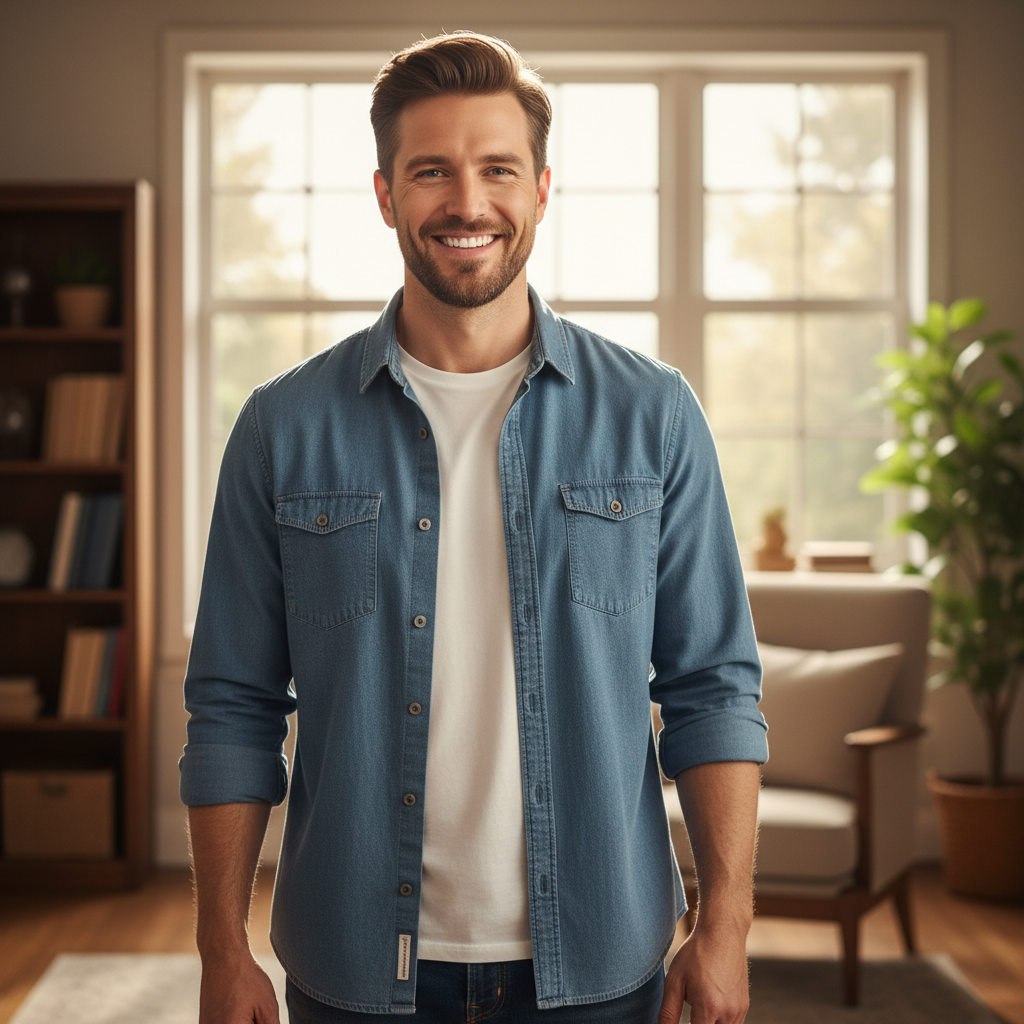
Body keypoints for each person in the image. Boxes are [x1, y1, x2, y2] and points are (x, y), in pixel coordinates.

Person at [181, 30, 767, 1024]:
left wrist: (726, 929)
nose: (467, 201)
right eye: (430, 172)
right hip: (355, 967)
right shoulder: (283, 426)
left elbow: (711, 686)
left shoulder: (653, 415)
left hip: (597, 962)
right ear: (384, 196)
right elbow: (234, 702)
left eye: (497, 168)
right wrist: (218, 945)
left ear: (542, 188)